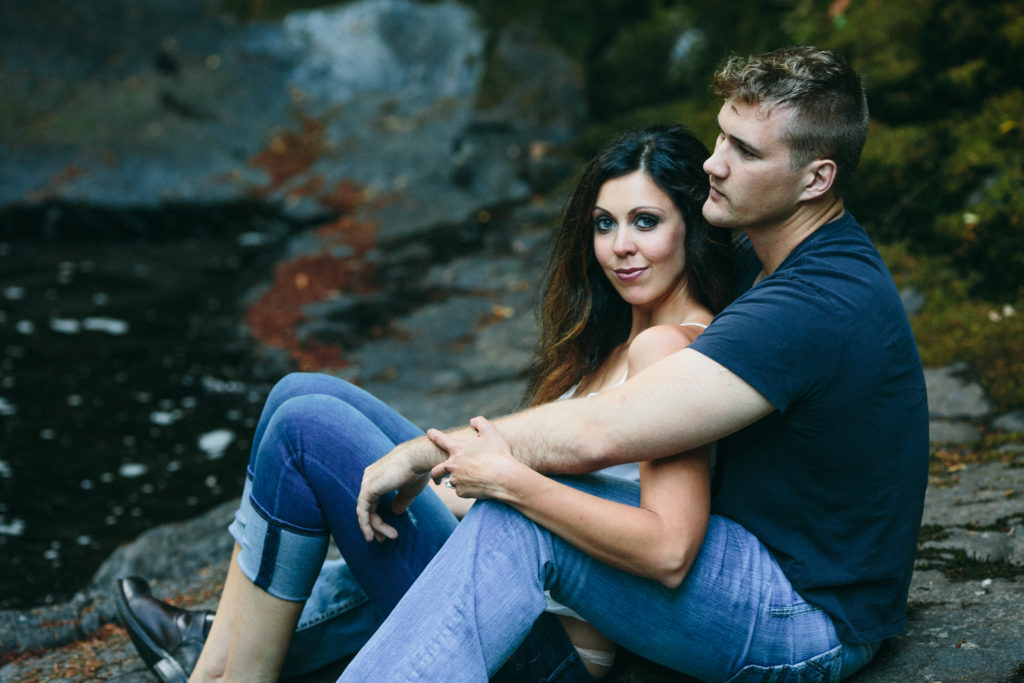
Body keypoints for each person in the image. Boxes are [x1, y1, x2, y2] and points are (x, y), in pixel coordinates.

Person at [344, 45, 930, 682]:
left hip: (807, 618)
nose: (715, 163)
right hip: (748, 563)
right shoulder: (762, 262)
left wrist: (426, 453)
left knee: (519, 513)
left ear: (817, 180)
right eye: (722, 136)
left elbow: (603, 430)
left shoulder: (813, 303)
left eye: (746, 151)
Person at [114, 123, 736, 682]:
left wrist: (494, 482)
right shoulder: (614, 345)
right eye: (604, 223)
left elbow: (670, 548)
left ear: (692, 223)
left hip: (542, 645)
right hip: (503, 593)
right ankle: (213, 659)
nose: (620, 245)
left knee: (306, 426)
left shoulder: (671, 350)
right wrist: (420, 481)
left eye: (645, 222)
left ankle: (222, 669)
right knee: (300, 393)